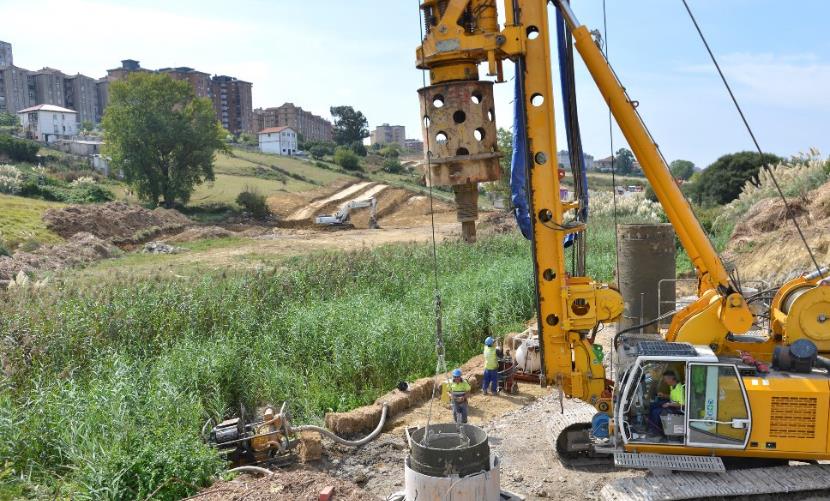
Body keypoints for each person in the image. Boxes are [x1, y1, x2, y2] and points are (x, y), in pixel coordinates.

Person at [647, 370, 685, 435]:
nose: (664, 381)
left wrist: (669, 404)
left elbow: (682, 404)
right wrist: (664, 395)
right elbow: (673, 397)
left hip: (677, 410)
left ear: (671, 379)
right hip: (672, 404)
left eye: (665, 379)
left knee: (655, 412)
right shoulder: (672, 386)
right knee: (653, 405)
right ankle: (650, 425)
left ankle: (655, 431)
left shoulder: (679, 388)